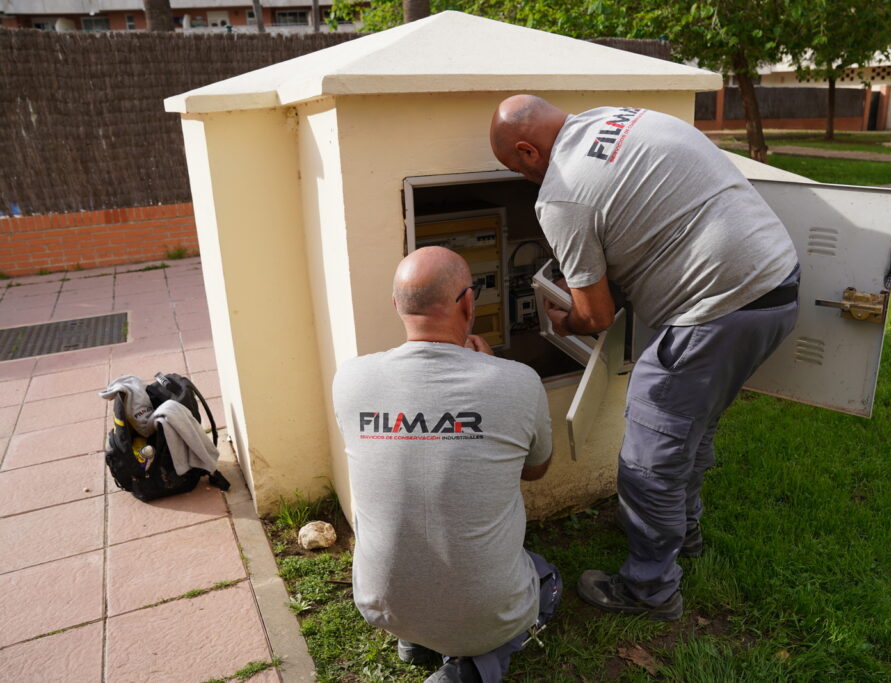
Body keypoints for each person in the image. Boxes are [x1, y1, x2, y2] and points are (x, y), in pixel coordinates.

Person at [489, 95, 800, 621]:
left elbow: (596, 315)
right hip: (777, 284)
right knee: (691, 426)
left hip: (715, 310)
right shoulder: (623, 116)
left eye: (520, 170)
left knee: (648, 459)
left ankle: (649, 588)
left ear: (527, 151)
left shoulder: (561, 198)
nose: (527, 181)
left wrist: (563, 319)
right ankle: (684, 531)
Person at [332, 246, 562, 683]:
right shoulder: (518, 381)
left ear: (396, 305)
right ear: (469, 303)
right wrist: (495, 377)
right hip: (484, 612)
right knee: (546, 578)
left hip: (381, 603)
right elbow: (535, 469)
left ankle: (414, 637)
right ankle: (469, 669)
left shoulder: (350, 378)